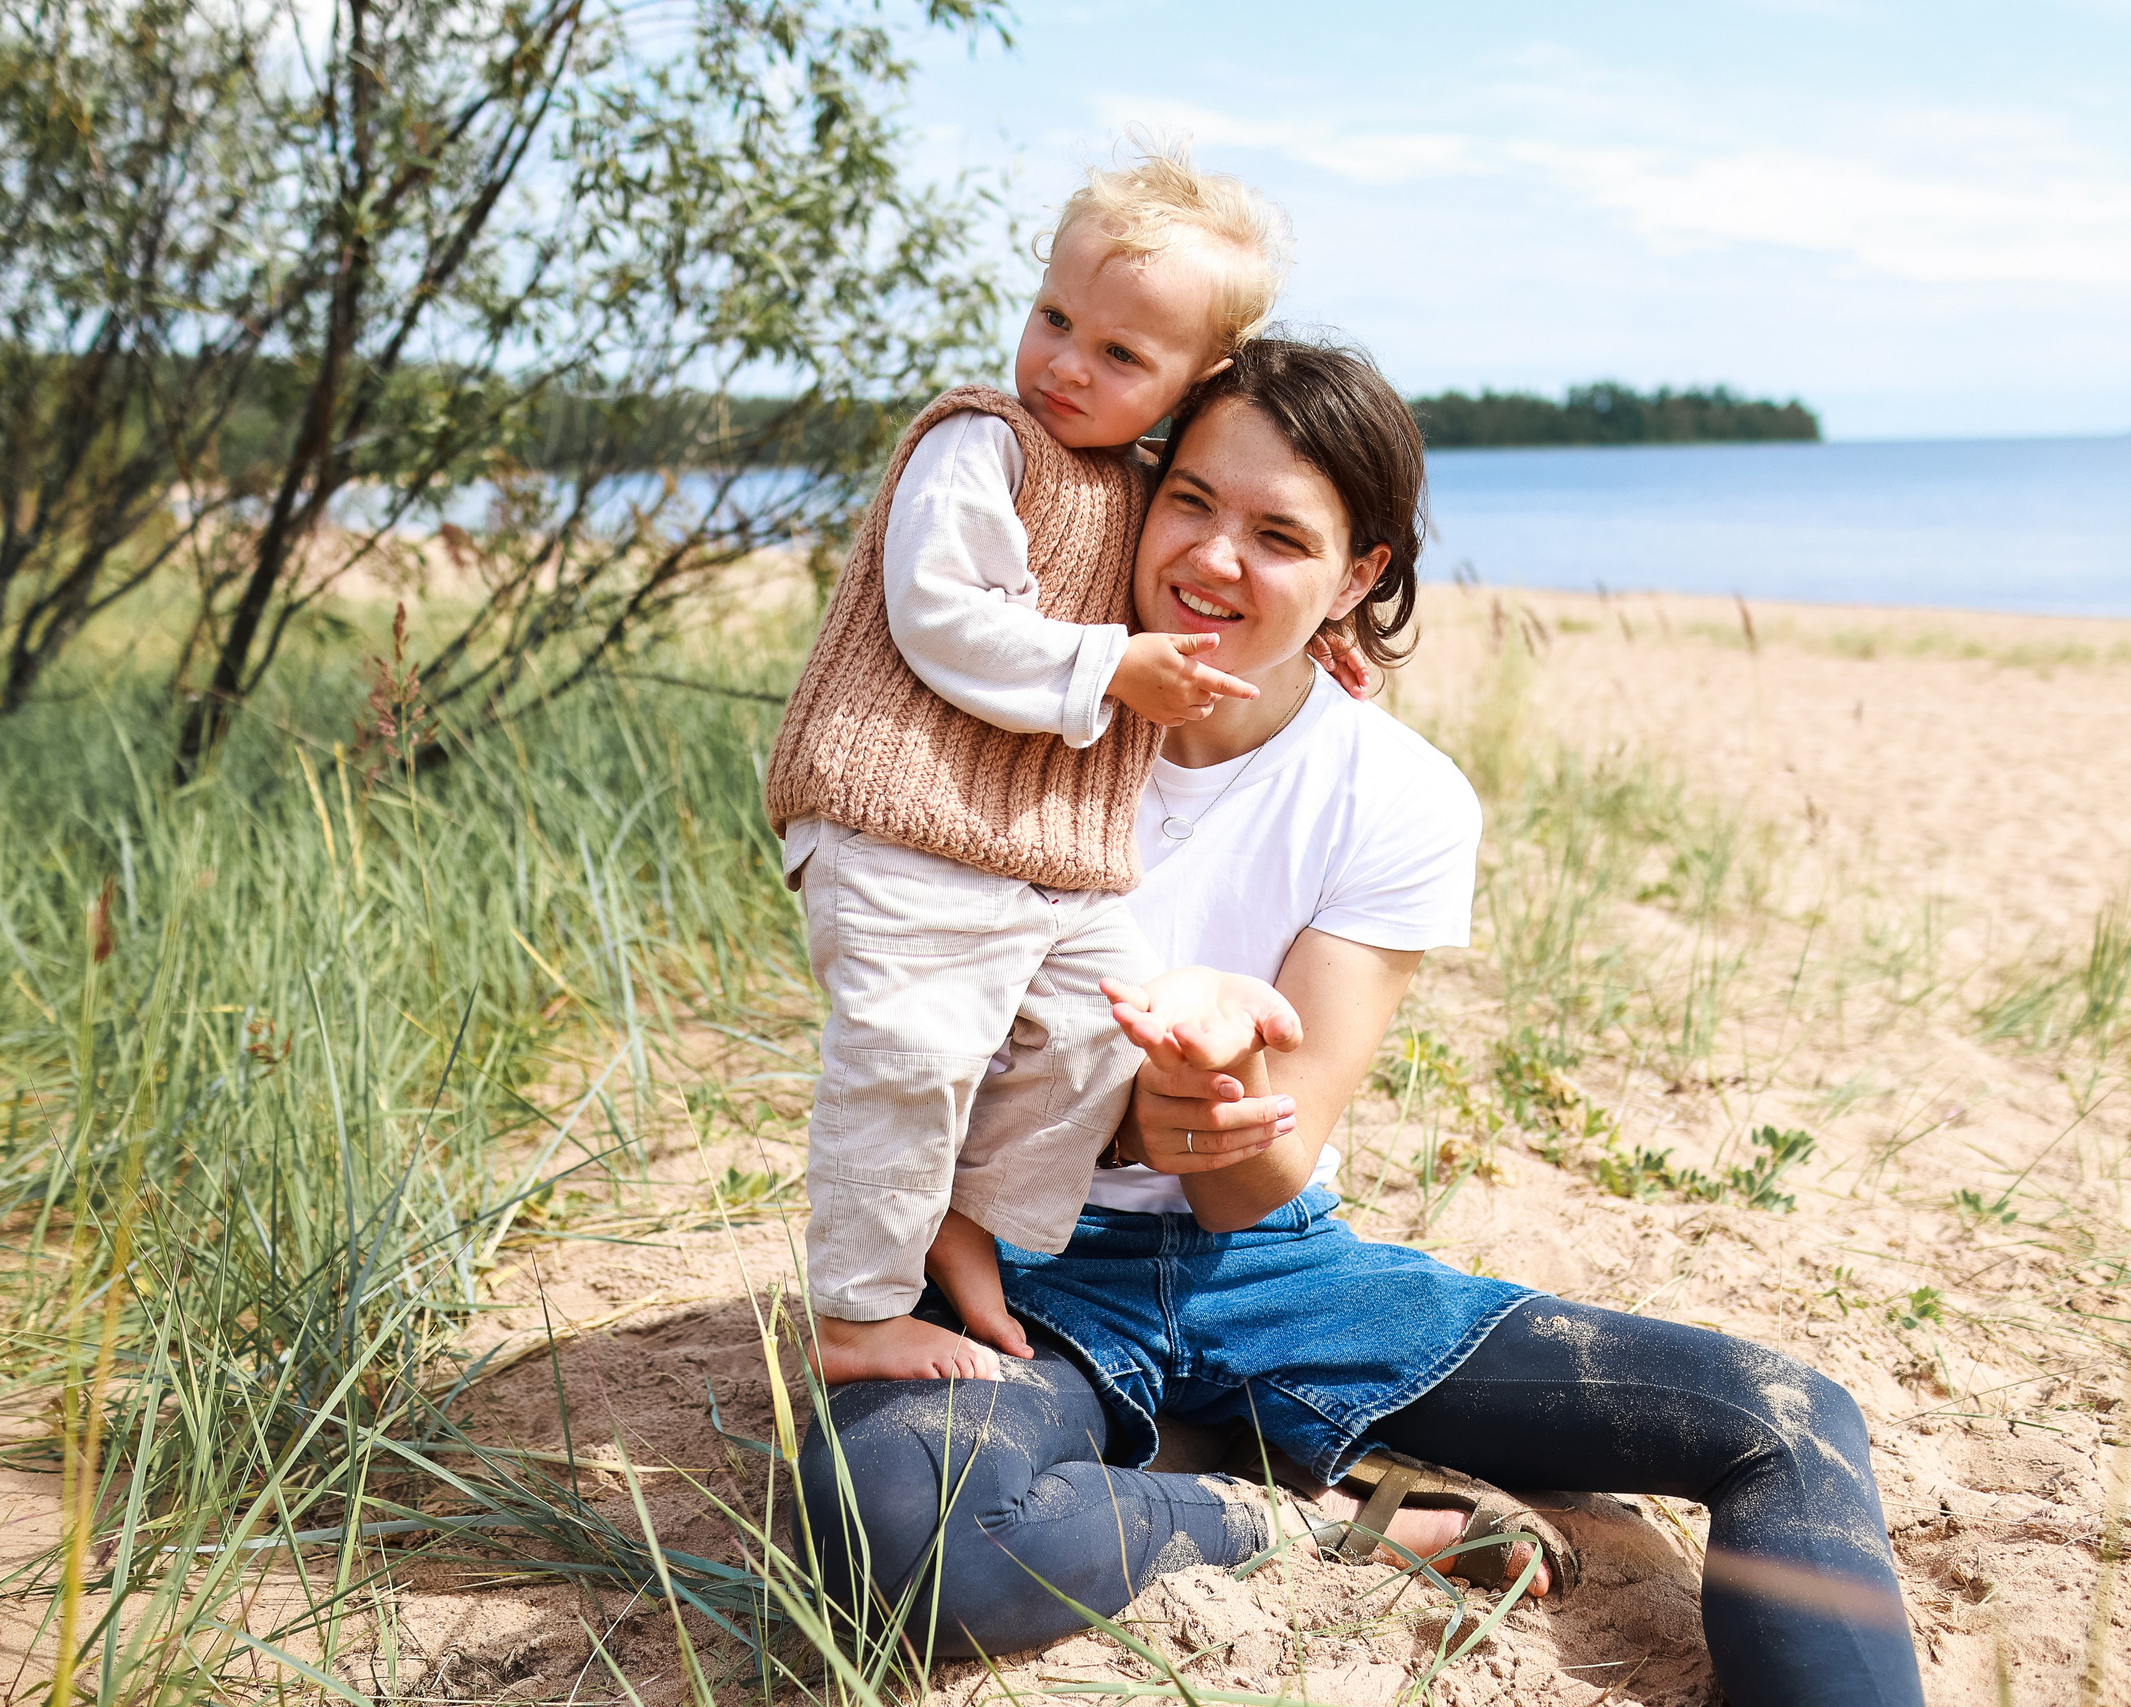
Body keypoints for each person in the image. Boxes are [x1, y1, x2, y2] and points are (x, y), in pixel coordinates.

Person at [794, 337, 1928, 1707]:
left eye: (1281, 534)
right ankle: (1304, 1518)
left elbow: (1263, 1174)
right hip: (1027, 1267)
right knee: (892, 1534)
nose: (1213, 559)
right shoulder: (1005, 722)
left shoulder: (1397, 796)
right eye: (1193, 500)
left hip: (1276, 1268)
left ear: (1360, 574)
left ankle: (1231, 1429)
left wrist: (1209, 1083)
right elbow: (904, 1026)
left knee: (1789, 1420)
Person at [763, 148, 1291, 1386]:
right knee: (908, 1054)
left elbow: (1212, 582)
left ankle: (963, 1213)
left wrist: (1318, 646)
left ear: (1188, 385)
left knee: (1100, 1033)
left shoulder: (1143, 486)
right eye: (1056, 318)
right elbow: (938, 614)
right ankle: (852, 1314)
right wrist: (1110, 667)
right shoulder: (978, 443)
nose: (1065, 363)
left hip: (1046, 860)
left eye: (1121, 356)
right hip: (901, 818)